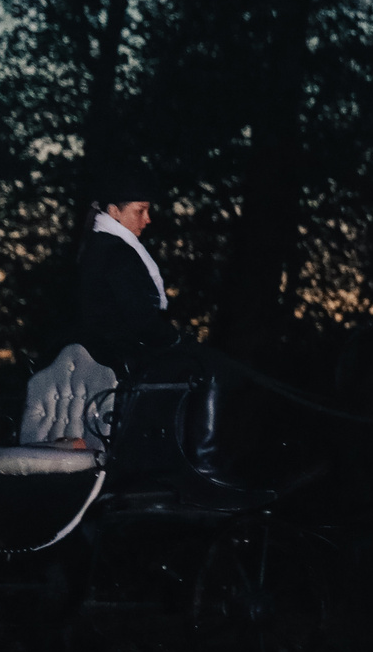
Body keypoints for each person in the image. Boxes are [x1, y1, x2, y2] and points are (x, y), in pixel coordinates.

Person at [76, 175, 257, 503]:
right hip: (125, 356)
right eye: (140, 211)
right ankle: (206, 463)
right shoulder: (117, 251)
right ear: (114, 212)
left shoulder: (99, 246)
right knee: (215, 369)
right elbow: (141, 320)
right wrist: (177, 341)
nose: (148, 219)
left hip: (116, 350)